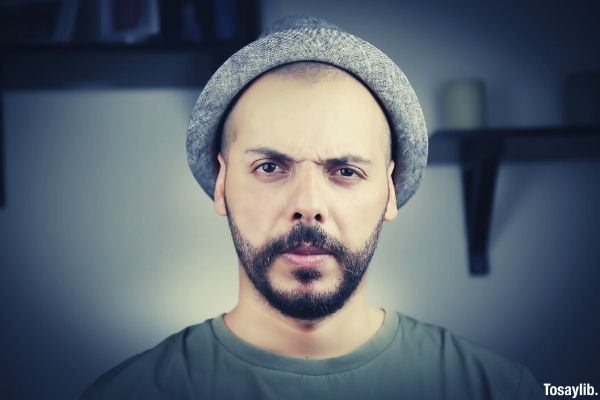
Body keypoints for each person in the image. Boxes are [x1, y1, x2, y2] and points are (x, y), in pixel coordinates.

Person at [81, 16, 544, 400]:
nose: (307, 206)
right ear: (222, 183)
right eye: (269, 167)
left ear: (390, 189)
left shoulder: (500, 390)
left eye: (344, 171)